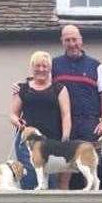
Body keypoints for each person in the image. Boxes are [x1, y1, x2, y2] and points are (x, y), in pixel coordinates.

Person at [52, 24, 102, 190]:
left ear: (81, 41)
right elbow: (41, 86)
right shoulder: (54, 65)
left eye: (74, 39)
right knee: (63, 173)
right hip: (63, 125)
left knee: (91, 172)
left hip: (89, 124)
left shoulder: (95, 65)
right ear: (62, 42)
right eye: (67, 40)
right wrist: (20, 90)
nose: (72, 44)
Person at [9, 51, 71, 190]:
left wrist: (65, 138)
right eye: (37, 66)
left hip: (51, 142)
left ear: (50, 68)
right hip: (27, 142)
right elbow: (12, 114)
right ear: (32, 67)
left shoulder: (59, 89)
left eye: (44, 66)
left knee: (51, 180)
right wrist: (17, 121)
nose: (41, 69)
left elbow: (66, 115)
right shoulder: (22, 88)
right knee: (31, 177)